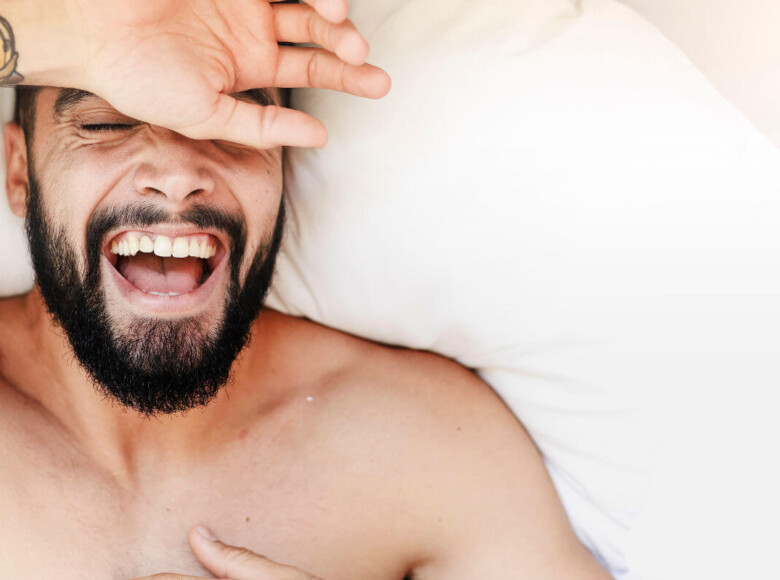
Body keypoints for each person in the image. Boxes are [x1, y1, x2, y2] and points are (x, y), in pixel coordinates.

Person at [0, 1, 611, 578]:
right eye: (107, 122)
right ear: (20, 173)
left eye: (232, 120)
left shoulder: (426, 449)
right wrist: (71, 38)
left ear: (284, 169)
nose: (179, 176)